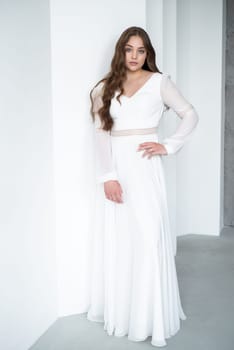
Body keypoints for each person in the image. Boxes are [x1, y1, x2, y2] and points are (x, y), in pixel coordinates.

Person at [87, 26, 199, 347]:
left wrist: (169, 145)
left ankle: (151, 318)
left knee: (148, 236)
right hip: (118, 172)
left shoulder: (159, 83)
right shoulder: (105, 88)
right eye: (129, 50)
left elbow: (189, 114)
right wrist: (107, 176)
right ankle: (126, 315)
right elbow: (101, 134)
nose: (134, 56)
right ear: (120, 51)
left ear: (148, 53)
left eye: (141, 50)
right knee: (123, 239)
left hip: (145, 171)